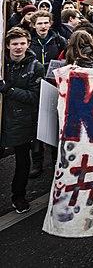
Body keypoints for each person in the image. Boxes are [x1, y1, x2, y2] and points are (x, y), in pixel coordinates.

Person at [1, 27, 45, 213]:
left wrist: (8, 90)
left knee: (22, 162)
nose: (18, 47)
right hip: (3, 120)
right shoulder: (2, 64)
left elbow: (35, 97)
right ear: (7, 45)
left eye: (22, 44)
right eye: (14, 44)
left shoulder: (35, 66)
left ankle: (18, 196)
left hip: (22, 122)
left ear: (28, 44)